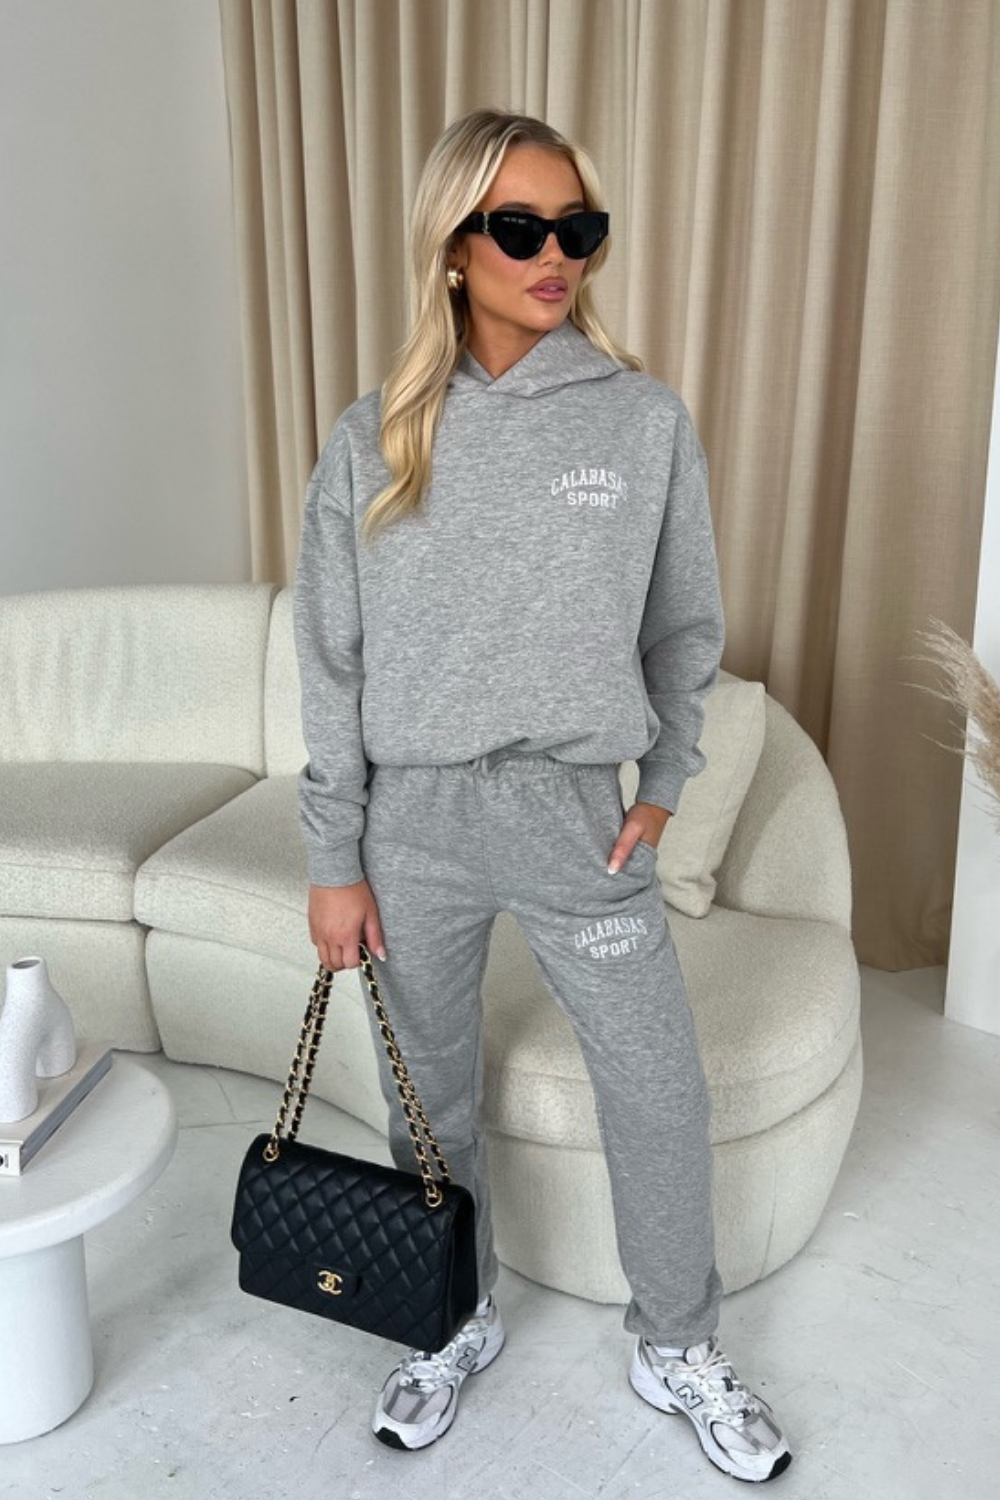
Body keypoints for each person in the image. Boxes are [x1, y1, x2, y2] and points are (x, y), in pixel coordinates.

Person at [293, 107, 792, 1484]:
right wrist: (334, 856)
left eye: (580, 228)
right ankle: (452, 1314)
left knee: (658, 1089)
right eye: (520, 228)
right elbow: (331, 661)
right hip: (412, 827)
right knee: (431, 1096)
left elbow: (683, 630)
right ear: (454, 247)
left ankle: (676, 1342)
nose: (555, 254)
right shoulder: (373, 438)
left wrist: (665, 784)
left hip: (579, 820)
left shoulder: (640, 422)